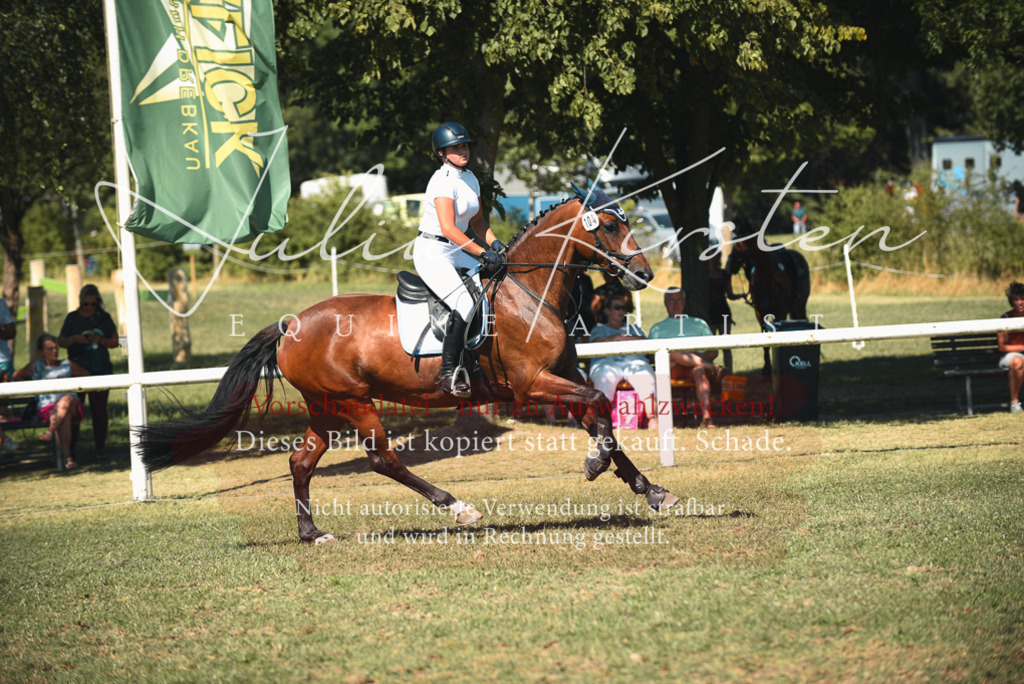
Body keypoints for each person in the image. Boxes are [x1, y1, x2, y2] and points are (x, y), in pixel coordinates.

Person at [413, 122, 506, 398]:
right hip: (433, 252)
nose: (463, 151)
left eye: (464, 145)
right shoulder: (441, 181)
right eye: (456, 147)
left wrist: (495, 243)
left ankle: (479, 362)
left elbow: (477, 221)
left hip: (457, 250)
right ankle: (448, 372)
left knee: (494, 287)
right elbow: (449, 229)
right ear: (442, 153)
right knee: (464, 303)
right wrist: (481, 253)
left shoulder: (470, 178)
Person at [648, 288, 724, 427]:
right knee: (672, 352)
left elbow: (714, 351)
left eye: (679, 300)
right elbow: (652, 357)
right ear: (665, 303)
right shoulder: (657, 328)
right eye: (671, 300)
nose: (675, 304)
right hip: (671, 369)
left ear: (684, 302)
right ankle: (713, 367)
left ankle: (707, 418)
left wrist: (694, 357)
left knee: (699, 371)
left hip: (696, 367)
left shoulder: (699, 323)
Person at [12, 333, 89, 469]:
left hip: (72, 404)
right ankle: (67, 459)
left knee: (66, 399)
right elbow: (17, 375)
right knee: (64, 414)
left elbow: (87, 376)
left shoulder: (67, 365)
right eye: (50, 349)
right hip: (47, 407)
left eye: (56, 348)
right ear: (41, 352)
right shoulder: (36, 366)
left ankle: (49, 431)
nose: (55, 351)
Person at [58, 284, 119, 456]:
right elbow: (60, 341)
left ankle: (100, 447)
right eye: (86, 304)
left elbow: (114, 341)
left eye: (94, 303)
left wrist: (100, 340)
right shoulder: (72, 318)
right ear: (80, 302)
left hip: (101, 369)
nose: (90, 307)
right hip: (77, 369)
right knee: (74, 410)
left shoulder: (104, 318)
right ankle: (71, 449)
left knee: (99, 410)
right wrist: (74, 339)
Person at [588, 295, 656, 420]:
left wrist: (618, 338)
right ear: (607, 311)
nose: (621, 311)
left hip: (633, 363)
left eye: (623, 308)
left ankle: (653, 418)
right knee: (605, 374)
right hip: (607, 363)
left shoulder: (633, 328)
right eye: (617, 307)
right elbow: (594, 344)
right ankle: (603, 419)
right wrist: (620, 338)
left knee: (645, 374)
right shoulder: (599, 329)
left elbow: (644, 341)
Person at [997, 281, 1024, 413]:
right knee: (1018, 361)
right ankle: (1014, 402)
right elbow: (1002, 347)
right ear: (1011, 301)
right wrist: (1022, 348)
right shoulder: (1006, 318)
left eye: (1023, 299)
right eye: (1016, 299)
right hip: (1009, 356)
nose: (1020, 302)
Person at [0, 298, 18, 453]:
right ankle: (4, 439)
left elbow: (12, 331)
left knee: (3, 409)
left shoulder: (0, 303)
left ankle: (4, 439)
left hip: (2, 362)